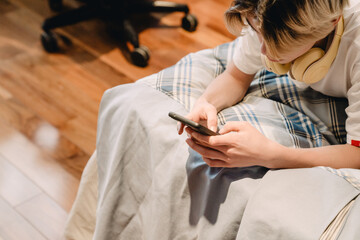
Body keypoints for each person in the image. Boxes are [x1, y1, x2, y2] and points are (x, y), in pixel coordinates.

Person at [178, 0, 360, 169]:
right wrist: (206, 102)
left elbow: (356, 155)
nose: (263, 50)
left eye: (280, 40)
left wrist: (273, 155)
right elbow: (236, 77)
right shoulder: (263, 14)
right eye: (257, 32)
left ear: (332, 21)